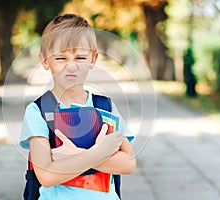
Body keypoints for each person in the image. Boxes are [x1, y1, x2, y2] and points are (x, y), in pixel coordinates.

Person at [20, 13, 136, 200]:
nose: (71, 66)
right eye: (61, 59)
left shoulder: (105, 107)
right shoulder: (39, 111)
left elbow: (128, 164)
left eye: (80, 57)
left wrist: (75, 156)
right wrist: (101, 153)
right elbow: (47, 176)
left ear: (93, 59)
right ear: (44, 60)